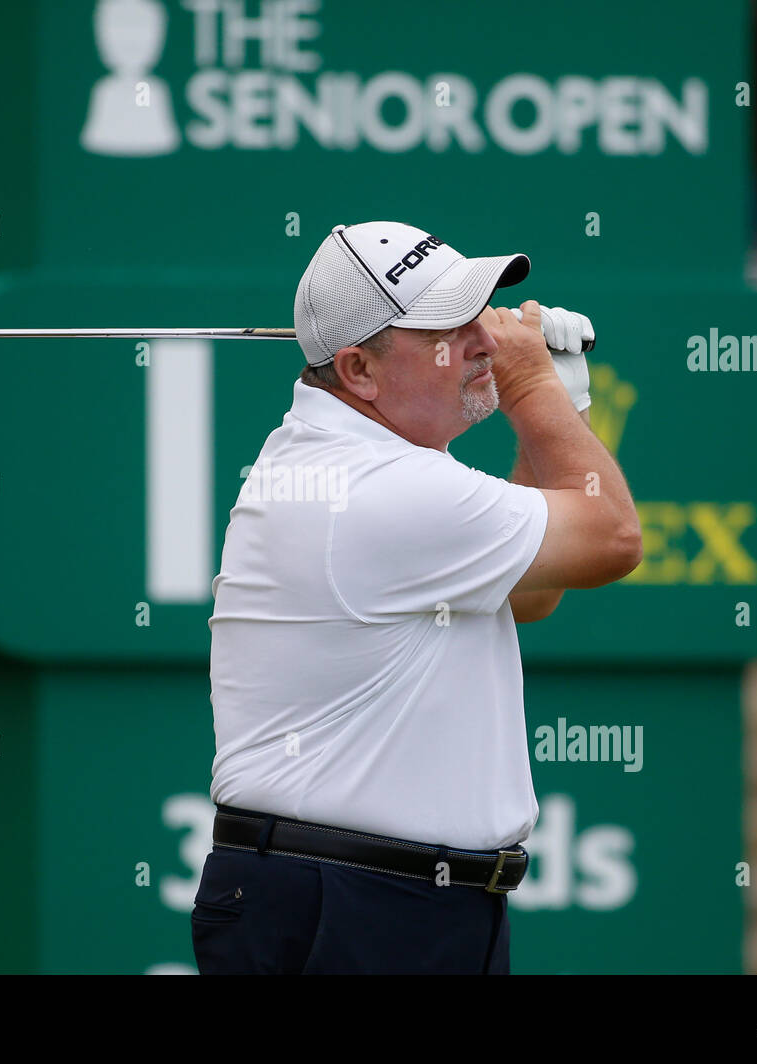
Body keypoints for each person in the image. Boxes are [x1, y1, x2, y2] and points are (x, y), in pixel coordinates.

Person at [193, 221, 642, 974]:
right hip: (356, 906)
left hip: (387, 902)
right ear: (359, 370)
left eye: (478, 314)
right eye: (446, 328)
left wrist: (561, 403)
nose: (486, 340)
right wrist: (533, 387)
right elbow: (615, 537)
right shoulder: (379, 488)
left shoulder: (355, 462)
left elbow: (532, 595)